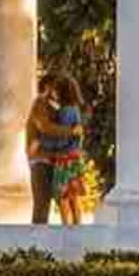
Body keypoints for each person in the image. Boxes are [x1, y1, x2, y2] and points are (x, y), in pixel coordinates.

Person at [48, 75, 86, 226]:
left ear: (61, 92)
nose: (53, 93)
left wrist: (51, 145)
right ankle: (78, 228)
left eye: (55, 90)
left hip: (65, 159)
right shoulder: (75, 109)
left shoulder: (65, 112)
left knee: (63, 196)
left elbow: (63, 137)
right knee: (74, 196)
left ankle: (66, 229)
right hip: (75, 157)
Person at [24, 72, 58, 225]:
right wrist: (69, 131)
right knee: (41, 203)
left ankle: (41, 236)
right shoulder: (40, 103)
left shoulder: (51, 106)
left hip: (47, 159)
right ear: (48, 87)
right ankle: (37, 238)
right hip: (40, 160)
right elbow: (45, 127)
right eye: (56, 86)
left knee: (45, 203)